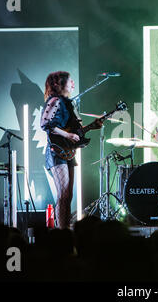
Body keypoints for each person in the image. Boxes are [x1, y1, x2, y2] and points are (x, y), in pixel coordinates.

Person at [41, 71, 101, 229]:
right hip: (56, 152)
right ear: (59, 84)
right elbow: (45, 124)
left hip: (68, 151)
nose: (73, 83)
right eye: (70, 81)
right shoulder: (54, 100)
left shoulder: (69, 104)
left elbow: (76, 131)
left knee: (68, 196)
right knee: (63, 195)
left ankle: (65, 228)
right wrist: (67, 134)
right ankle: (62, 233)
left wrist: (92, 126)